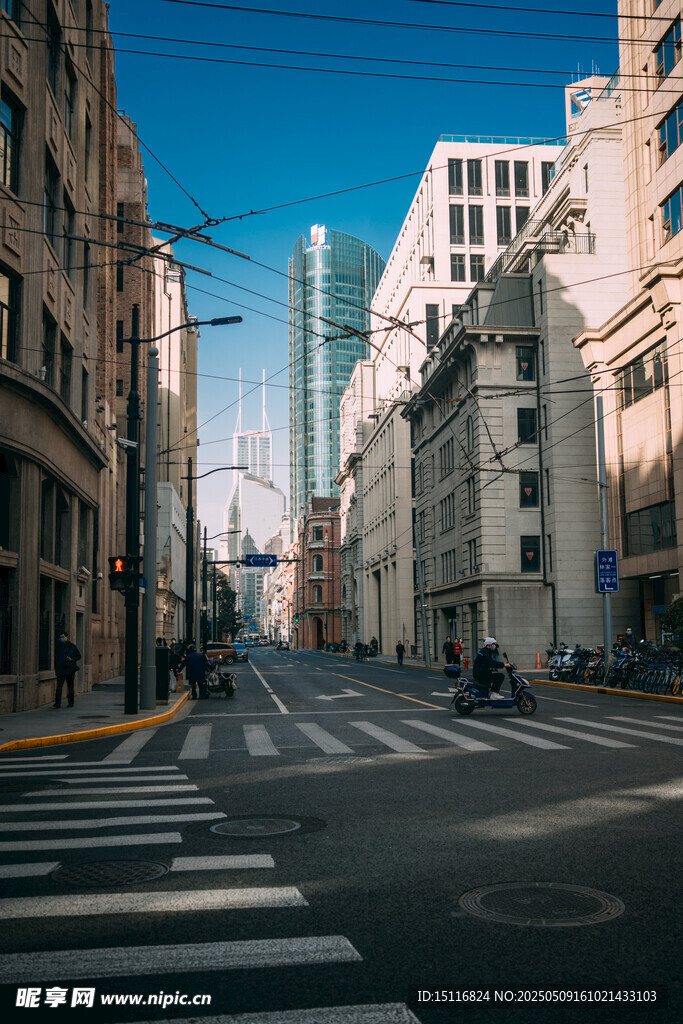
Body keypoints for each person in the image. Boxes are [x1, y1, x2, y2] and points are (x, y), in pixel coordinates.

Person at [53, 630, 81, 708]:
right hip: (60, 670)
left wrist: (71, 659)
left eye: (63, 637)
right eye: (60, 637)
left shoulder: (72, 646)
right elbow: (56, 658)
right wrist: (56, 669)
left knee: (70, 686)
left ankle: (71, 702)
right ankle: (57, 703)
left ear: (66, 637)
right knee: (59, 687)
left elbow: (78, 656)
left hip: (69, 669)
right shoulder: (58, 647)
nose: (61, 638)